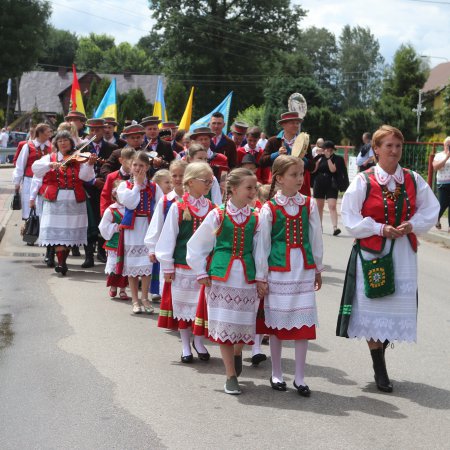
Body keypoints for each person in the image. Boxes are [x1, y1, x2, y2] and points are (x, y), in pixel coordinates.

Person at [336, 125, 439, 393]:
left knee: (391, 307)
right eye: (389, 146)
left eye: (398, 146)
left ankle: (381, 357)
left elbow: (431, 208)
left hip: (403, 251)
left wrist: (411, 224)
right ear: (376, 150)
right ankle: (380, 369)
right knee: (373, 307)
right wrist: (379, 228)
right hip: (372, 251)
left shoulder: (413, 179)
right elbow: (349, 216)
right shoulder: (364, 180)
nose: (394, 151)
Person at [187, 168, 261, 395]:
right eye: (249, 187)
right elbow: (196, 245)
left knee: (242, 326)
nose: (253, 192)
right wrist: (201, 271)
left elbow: (260, 251)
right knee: (224, 325)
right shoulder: (217, 214)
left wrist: (261, 277)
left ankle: (238, 352)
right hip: (221, 279)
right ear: (234, 189)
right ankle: (230, 375)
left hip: (247, 279)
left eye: (255, 188)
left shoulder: (257, 217)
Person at [255, 155, 323, 396]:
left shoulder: (309, 204)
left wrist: (317, 268)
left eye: (301, 173)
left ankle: (300, 377)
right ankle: (276, 372)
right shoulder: (269, 208)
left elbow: (315, 238)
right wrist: (261, 276)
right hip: (279, 271)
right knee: (276, 325)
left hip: (303, 269)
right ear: (279, 179)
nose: (299, 179)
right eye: (293, 174)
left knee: (302, 325)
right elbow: (262, 244)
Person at [155, 162, 214, 363]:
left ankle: (198, 341)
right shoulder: (178, 208)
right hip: (182, 267)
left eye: (211, 180)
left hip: (204, 268)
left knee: (200, 307)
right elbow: (168, 237)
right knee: (183, 308)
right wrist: (167, 265)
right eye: (205, 180)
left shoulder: (213, 209)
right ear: (191, 182)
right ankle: (184, 344)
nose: (209, 183)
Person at [32, 131, 96, 275]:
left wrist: (90, 165)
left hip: (74, 201)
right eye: (60, 141)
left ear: (71, 143)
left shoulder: (78, 158)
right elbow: (35, 169)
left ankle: (62, 262)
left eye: (65, 140)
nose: (63, 143)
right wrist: (50, 165)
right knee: (57, 234)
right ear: (56, 144)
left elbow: (86, 177)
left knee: (69, 234)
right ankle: (61, 263)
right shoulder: (50, 157)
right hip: (55, 200)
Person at [117, 151, 163, 314]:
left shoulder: (154, 187)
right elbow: (130, 203)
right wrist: (137, 185)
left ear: (147, 167)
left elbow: (160, 206)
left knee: (146, 265)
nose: (138, 168)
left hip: (148, 227)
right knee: (133, 267)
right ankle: (135, 300)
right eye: (135, 165)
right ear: (130, 167)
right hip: (132, 229)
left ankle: (145, 297)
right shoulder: (125, 186)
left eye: (141, 165)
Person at [145, 160, 187, 303]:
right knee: (169, 280)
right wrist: (152, 248)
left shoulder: (194, 200)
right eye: (174, 176)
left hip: (186, 247)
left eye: (181, 175)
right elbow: (156, 225)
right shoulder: (165, 201)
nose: (178, 179)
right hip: (169, 247)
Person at [81, 118, 117, 267]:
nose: (95, 133)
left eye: (98, 130)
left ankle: (102, 253)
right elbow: (79, 171)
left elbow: (113, 167)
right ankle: (88, 255)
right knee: (88, 222)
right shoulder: (82, 147)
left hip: (105, 189)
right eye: (92, 130)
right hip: (87, 189)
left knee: (104, 218)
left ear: (103, 130)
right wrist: (93, 181)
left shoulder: (112, 148)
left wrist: (104, 180)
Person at [260, 111, 313, 196]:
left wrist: (302, 157)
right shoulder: (273, 141)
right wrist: (277, 154)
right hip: (278, 184)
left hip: (299, 186)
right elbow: (262, 162)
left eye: (297, 123)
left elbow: (312, 167)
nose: (296, 125)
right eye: (292, 123)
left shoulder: (304, 142)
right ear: (283, 125)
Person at [13, 123, 52, 221]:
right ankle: (29, 225)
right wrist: (17, 183)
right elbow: (20, 165)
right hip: (29, 181)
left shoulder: (51, 146)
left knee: (44, 206)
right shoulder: (28, 146)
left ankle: (41, 226)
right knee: (29, 205)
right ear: (40, 133)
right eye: (48, 132)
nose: (50, 134)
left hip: (46, 181)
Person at [98, 180, 129, 300]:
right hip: (115, 242)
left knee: (125, 266)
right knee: (114, 266)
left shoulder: (130, 209)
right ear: (114, 194)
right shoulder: (111, 210)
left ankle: (123, 289)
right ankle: (113, 287)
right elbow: (103, 226)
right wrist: (116, 227)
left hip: (127, 242)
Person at [312, 140, 348, 236]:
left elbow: (333, 170)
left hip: (331, 183)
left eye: (331, 150)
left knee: (332, 205)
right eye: (326, 149)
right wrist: (317, 160)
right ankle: (319, 226)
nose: (329, 151)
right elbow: (313, 170)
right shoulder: (319, 158)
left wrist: (328, 158)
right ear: (323, 149)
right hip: (319, 182)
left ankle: (335, 227)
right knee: (319, 206)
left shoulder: (337, 159)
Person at [100, 146, 135, 216]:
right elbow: (105, 196)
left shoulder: (137, 176)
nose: (130, 164)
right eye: (127, 161)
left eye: (133, 161)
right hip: (116, 214)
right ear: (121, 160)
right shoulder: (111, 177)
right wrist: (105, 214)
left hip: (133, 213)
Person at [432, 137, 450, 231]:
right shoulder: (439, 155)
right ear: (444, 145)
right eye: (448, 145)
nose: (449, 146)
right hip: (443, 184)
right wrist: (447, 157)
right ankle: (436, 219)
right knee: (442, 204)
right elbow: (435, 167)